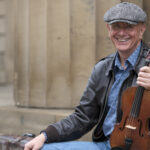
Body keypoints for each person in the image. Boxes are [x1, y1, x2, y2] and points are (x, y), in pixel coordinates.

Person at [24, 2, 150, 150]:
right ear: (109, 29)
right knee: (42, 148)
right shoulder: (102, 68)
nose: (121, 33)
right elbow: (83, 117)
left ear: (142, 30)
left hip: (142, 146)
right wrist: (45, 135)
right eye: (116, 26)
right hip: (106, 145)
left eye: (128, 27)